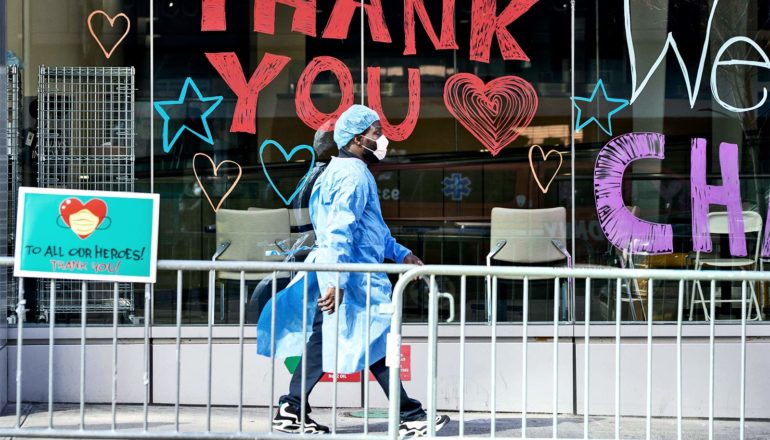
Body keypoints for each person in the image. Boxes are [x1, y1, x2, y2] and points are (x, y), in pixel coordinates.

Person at [257, 105, 449, 436]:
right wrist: (336, 281)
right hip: (353, 277)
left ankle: (292, 408)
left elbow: (370, 230)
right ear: (358, 139)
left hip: (349, 274)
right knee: (373, 342)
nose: (382, 138)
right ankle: (410, 415)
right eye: (376, 133)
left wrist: (401, 254)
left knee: (347, 341)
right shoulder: (352, 176)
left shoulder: (347, 172)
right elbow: (338, 231)